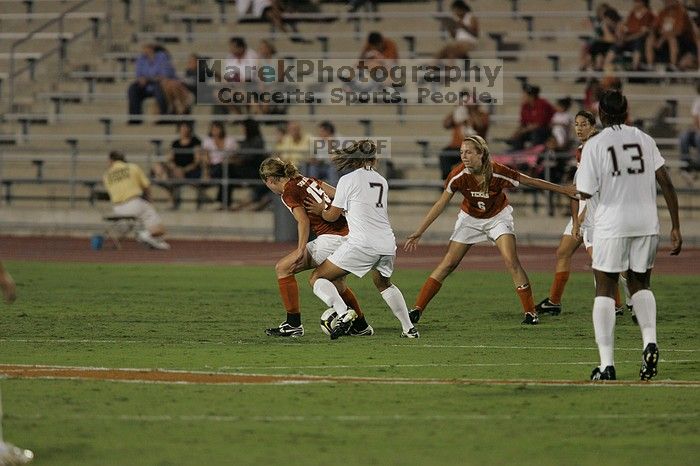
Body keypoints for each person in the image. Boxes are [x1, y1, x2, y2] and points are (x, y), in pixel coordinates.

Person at [404, 135, 577, 325]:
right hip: (470, 219)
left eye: (469, 152)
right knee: (448, 264)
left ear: (481, 154)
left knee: (511, 261)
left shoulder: (497, 171)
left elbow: (531, 181)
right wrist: (420, 230)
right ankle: (417, 310)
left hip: (497, 218)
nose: (464, 156)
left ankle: (530, 312)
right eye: (462, 152)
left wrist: (563, 190)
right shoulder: (458, 174)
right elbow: (440, 204)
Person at [576, 90, 682, 381]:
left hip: (613, 222)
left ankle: (607, 364)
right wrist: (675, 225)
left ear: (601, 114)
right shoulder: (645, 139)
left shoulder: (595, 145)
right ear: (627, 111)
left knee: (605, 286)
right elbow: (666, 182)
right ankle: (650, 342)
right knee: (641, 284)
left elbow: (584, 191)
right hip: (647, 222)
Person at [304, 140, 419, 339]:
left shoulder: (348, 180)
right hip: (387, 244)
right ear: (374, 159)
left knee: (318, 278)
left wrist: (320, 210)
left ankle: (343, 314)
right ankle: (409, 329)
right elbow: (360, 202)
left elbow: (332, 215)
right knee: (384, 284)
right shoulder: (382, 180)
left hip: (362, 244)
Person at [259, 157, 374, 337]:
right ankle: (361, 326)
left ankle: (293, 324)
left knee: (283, 268)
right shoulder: (307, 180)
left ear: (270, 180)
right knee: (338, 284)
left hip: (332, 239)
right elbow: (339, 194)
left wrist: (300, 249)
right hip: (351, 235)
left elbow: (303, 221)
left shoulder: (288, 192)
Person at [536, 110, 628, 317]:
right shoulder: (580, 150)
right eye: (576, 124)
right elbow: (576, 189)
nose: (578, 128)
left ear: (593, 126)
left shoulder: (599, 150)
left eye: (583, 124)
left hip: (597, 213)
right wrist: (577, 220)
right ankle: (554, 301)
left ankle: (624, 300)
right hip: (584, 208)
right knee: (563, 252)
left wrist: (583, 216)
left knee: (603, 262)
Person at [103, 151, 170, 250]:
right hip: (133, 203)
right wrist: (149, 201)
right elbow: (146, 186)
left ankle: (152, 240)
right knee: (160, 229)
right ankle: (145, 234)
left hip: (117, 209)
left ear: (111, 160)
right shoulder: (132, 167)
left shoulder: (106, 175)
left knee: (141, 220)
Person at [152, 121, 203, 209]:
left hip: (189, 170)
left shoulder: (195, 141)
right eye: (182, 128)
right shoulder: (175, 143)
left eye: (186, 128)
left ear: (190, 129)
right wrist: (175, 168)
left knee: (167, 175)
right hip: (176, 170)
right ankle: (169, 190)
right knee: (158, 167)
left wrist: (184, 170)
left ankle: (170, 197)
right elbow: (170, 159)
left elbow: (197, 161)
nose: (184, 130)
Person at [440, 98, 489, 180]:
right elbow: (446, 124)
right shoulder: (459, 114)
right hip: (456, 147)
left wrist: (471, 111)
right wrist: (456, 109)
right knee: (444, 154)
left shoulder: (482, 115)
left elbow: (479, 125)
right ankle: (447, 181)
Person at [127, 44, 175, 123]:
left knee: (158, 87)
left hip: (159, 84)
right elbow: (139, 74)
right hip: (146, 85)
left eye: (146, 47)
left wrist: (149, 78)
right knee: (132, 88)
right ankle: (135, 118)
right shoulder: (141, 59)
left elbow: (165, 75)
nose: (144, 50)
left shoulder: (162, 57)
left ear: (152, 48)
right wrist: (141, 79)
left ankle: (163, 116)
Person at [644, 0, 697, 71]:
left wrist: (662, 39)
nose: (667, 2)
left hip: (682, 41)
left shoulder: (681, 12)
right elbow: (654, 27)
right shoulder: (662, 12)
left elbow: (678, 31)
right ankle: (650, 65)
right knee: (649, 39)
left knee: (671, 38)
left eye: (669, 1)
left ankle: (673, 64)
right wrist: (653, 34)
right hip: (665, 42)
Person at [607, 0, 655, 70]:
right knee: (616, 45)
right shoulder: (632, 13)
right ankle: (605, 68)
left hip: (640, 39)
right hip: (628, 38)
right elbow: (626, 27)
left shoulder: (648, 14)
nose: (634, 3)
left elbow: (642, 33)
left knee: (638, 43)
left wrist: (628, 38)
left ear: (642, 3)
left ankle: (634, 69)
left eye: (636, 2)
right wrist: (621, 35)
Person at [201, 122, 239, 209]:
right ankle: (224, 202)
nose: (215, 131)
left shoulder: (230, 140)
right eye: (213, 129)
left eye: (217, 128)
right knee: (226, 173)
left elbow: (235, 157)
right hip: (214, 167)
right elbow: (206, 159)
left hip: (228, 166)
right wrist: (206, 172)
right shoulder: (207, 141)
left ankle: (220, 201)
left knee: (227, 172)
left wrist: (226, 161)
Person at [507, 84, 555, 151]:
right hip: (530, 130)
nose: (522, 97)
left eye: (524, 95)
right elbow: (523, 123)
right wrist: (516, 133)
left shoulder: (542, 104)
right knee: (518, 136)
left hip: (545, 130)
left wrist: (522, 131)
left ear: (531, 96)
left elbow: (539, 124)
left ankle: (535, 154)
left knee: (536, 134)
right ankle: (517, 154)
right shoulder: (525, 106)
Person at [679, 81, 700, 182]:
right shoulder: (697, 101)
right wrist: (694, 128)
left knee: (698, 137)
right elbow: (695, 119)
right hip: (698, 130)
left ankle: (698, 165)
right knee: (684, 136)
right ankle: (686, 166)